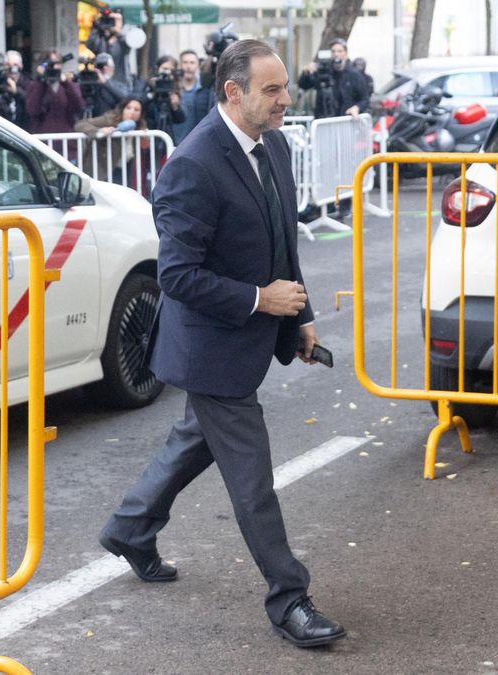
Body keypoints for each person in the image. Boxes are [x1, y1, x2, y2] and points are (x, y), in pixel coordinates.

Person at [98, 39, 346, 649]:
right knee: (252, 476)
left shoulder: (275, 144)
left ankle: (130, 527)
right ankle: (289, 598)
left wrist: (302, 317)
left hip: (248, 337)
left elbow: (283, 246)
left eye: (284, 86)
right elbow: (177, 276)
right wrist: (262, 300)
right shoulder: (192, 162)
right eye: (271, 90)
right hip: (209, 349)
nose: (285, 99)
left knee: (194, 440)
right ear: (233, 93)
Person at [74, 96, 155, 195]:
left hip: (124, 170)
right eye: (128, 108)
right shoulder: (110, 119)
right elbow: (80, 124)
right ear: (122, 109)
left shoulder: (141, 127)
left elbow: (144, 153)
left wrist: (145, 143)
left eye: (136, 110)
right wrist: (99, 131)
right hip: (101, 169)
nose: (132, 112)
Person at [296, 38, 369, 118]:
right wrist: (305, 73)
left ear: (346, 53)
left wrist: (356, 108)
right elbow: (303, 85)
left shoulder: (354, 74)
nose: (336, 54)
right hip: (324, 120)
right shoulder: (323, 71)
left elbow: (365, 99)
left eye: (340, 51)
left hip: (345, 120)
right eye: (333, 51)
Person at [26, 52, 84, 134]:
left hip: (67, 140)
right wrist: (42, 81)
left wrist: (66, 83)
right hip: (43, 140)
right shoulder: (35, 86)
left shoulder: (70, 85)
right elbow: (33, 110)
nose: (53, 67)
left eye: (57, 63)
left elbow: (79, 107)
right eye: (50, 64)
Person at [173, 49, 215, 143]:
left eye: (192, 63)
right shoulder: (173, 90)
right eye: (185, 62)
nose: (188, 66)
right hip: (174, 144)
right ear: (180, 66)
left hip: (197, 144)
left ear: (198, 66)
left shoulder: (204, 90)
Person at [0, 50, 31, 129]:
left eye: (15, 65)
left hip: (22, 128)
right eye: (8, 65)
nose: (12, 68)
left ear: (21, 66)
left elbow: (31, 103)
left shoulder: (28, 82)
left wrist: (16, 91)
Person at [85, 9, 131, 86]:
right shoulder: (101, 42)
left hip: (120, 85)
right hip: (102, 84)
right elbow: (90, 44)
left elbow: (127, 44)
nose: (108, 25)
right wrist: (95, 25)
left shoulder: (122, 43)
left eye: (111, 21)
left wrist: (118, 30)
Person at [145, 54, 186, 137]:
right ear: (157, 69)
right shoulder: (146, 85)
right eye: (165, 69)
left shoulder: (174, 89)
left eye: (171, 70)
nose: (167, 73)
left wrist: (175, 106)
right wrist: (151, 90)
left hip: (167, 135)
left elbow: (181, 119)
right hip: (148, 134)